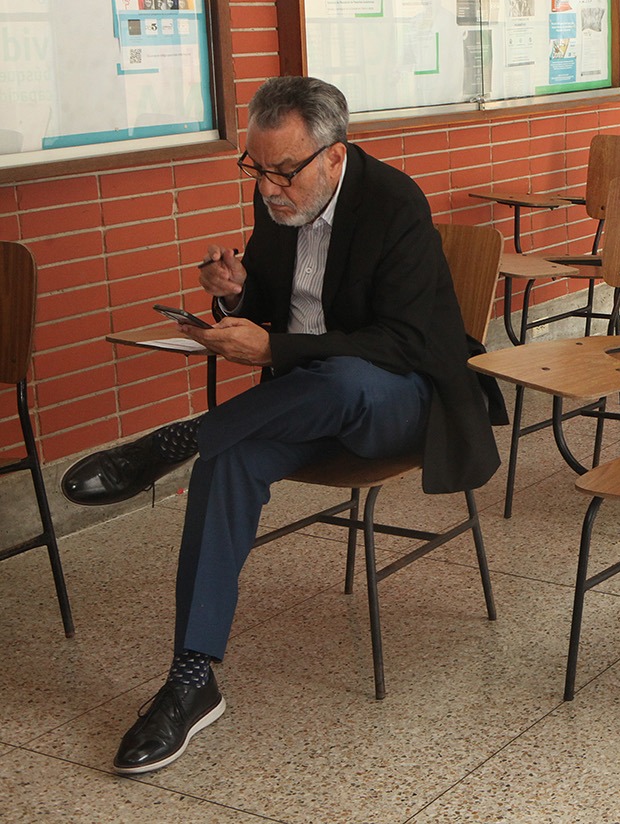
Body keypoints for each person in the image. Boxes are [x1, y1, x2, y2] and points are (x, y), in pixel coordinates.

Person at [61, 76, 501, 774]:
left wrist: (274, 351)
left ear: (334, 154)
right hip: (303, 399)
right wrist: (238, 294)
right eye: (256, 169)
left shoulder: (394, 204)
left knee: (344, 378)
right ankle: (191, 678)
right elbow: (281, 302)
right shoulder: (281, 197)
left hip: (402, 401)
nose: (268, 188)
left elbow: (406, 342)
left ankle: (175, 439)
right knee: (228, 459)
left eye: (284, 171)